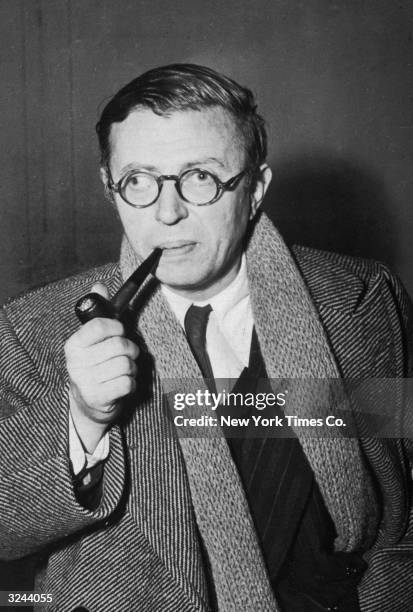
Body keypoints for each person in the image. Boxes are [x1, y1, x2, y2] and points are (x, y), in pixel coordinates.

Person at [0, 64, 412, 612]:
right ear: (110, 188)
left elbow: (401, 502)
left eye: (200, 177)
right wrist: (83, 418)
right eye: (139, 181)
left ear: (256, 189)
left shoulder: (362, 299)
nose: (167, 214)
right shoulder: (34, 329)